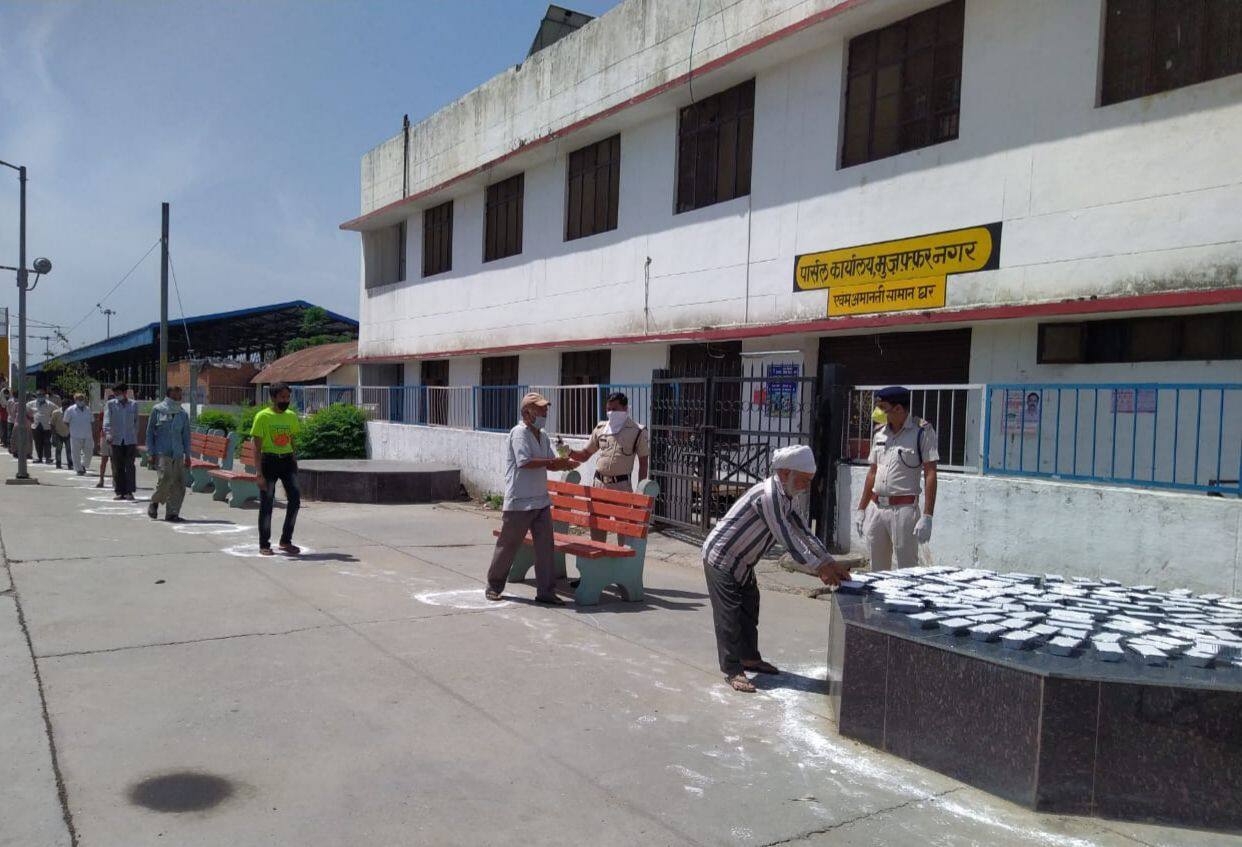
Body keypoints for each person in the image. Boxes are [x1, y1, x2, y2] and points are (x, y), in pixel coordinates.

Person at [702, 445, 850, 693]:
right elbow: (786, 538)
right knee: (729, 614)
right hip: (722, 558)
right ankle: (732, 669)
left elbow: (803, 531)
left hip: (744, 561)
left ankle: (749, 657)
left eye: (808, 481)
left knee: (750, 605)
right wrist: (818, 568)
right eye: (802, 480)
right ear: (784, 474)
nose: (805, 486)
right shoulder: (768, 495)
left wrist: (829, 560)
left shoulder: (786, 497)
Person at [485, 392, 579, 605]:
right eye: (540, 409)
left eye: (545, 409)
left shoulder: (542, 435)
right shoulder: (519, 433)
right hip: (520, 500)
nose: (545, 412)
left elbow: (549, 461)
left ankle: (546, 591)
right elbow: (525, 462)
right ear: (527, 412)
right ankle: (494, 585)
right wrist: (553, 462)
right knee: (509, 544)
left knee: (545, 548)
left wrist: (564, 463)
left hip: (540, 500)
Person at [854, 386, 938, 572]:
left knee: (906, 569)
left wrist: (927, 516)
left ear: (899, 409)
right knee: (877, 568)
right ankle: (879, 601)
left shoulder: (921, 432)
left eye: (883, 407)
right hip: (877, 508)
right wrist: (861, 508)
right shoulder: (880, 433)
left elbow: (930, 473)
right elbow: (872, 472)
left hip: (904, 510)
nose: (878, 412)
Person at [568, 391, 650, 542]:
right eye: (608, 409)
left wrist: (640, 490)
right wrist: (569, 452)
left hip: (621, 486)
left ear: (626, 409)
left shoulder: (637, 431)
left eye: (615, 409)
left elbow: (643, 462)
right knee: (597, 526)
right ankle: (598, 559)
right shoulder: (601, 428)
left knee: (624, 528)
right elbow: (585, 454)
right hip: (599, 484)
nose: (611, 413)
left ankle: (623, 561)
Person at [252, 382, 302, 555]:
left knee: (295, 501)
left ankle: (286, 541)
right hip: (269, 462)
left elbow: (292, 440)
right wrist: (259, 474)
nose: (285, 400)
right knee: (267, 503)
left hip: (287, 462)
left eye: (287, 397)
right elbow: (257, 448)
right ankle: (264, 544)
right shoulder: (262, 417)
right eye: (282, 397)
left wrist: (294, 461)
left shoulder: (291, 416)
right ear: (273, 398)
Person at [146, 385, 191, 522]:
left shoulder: (183, 414)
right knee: (165, 479)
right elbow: (149, 433)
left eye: (180, 394)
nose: (179, 397)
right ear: (169, 395)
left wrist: (187, 455)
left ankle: (172, 513)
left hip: (177, 453)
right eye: (176, 394)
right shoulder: (158, 410)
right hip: (162, 452)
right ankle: (155, 502)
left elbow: (186, 436)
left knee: (178, 483)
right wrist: (150, 452)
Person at [103, 382, 139, 500]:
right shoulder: (111, 404)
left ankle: (129, 491)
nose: (117, 395)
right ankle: (119, 491)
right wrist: (108, 433)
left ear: (125, 393)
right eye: (115, 393)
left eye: (119, 393)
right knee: (117, 465)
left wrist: (135, 436)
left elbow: (136, 421)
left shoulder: (133, 405)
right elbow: (107, 419)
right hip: (116, 439)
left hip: (130, 439)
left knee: (129, 466)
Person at [64, 393, 95, 476]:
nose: (81, 401)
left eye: (82, 399)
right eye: (79, 399)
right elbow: (66, 421)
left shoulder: (88, 409)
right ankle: (79, 469)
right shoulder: (70, 409)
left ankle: (84, 465)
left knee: (89, 452)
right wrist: (72, 429)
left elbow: (92, 421)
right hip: (75, 435)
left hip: (88, 434)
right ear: (75, 400)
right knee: (75, 453)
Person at [27, 388, 55, 464]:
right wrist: (29, 418)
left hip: (47, 426)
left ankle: (48, 458)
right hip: (35, 426)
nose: (40, 396)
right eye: (39, 395)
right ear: (36, 395)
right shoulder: (31, 404)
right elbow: (24, 411)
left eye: (42, 394)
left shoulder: (50, 404)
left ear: (45, 395)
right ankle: (39, 458)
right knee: (37, 443)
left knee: (47, 442)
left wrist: (52, 421)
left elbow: (57, 412)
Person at [51, 397, 73, 470]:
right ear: (62, 406)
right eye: (65, 406)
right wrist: (53, 435)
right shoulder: (56, 412)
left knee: (69, 450)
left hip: (68, 433)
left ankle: (70, 464)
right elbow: (52, 424)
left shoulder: (71, 413)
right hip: (58, 433)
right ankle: (58, 463)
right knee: (58, 450)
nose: (67, 408)